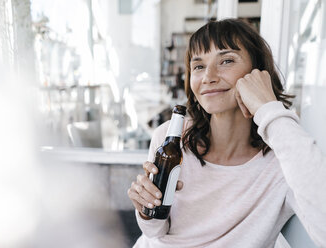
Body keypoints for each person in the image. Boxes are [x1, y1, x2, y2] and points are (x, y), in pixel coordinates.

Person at [127, 18, 326, 248]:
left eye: (226, 61)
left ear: (257, 73)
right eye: (199, 66)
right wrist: (145, 210)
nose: (208, 77)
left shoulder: (284, 161)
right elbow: (155, 232)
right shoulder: (171, 137)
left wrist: (268, 109)